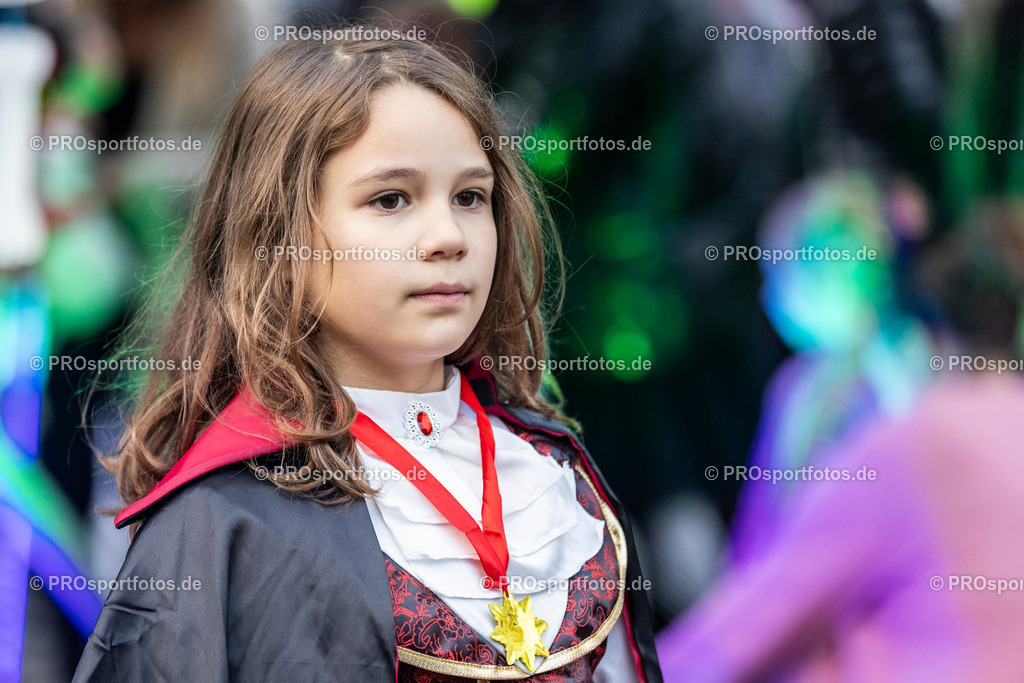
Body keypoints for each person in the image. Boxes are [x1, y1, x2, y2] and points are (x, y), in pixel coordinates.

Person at [72, 32, 662, 683]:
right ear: (280, 234)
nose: (447, 237)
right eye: (390, 199)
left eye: (470, 196)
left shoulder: (551, 470)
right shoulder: (224, 517)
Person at [656, 203, 1024, 681]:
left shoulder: (837, 400)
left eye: (779, 271)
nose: (769, 296)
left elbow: (759, 600)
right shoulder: (919, 387)